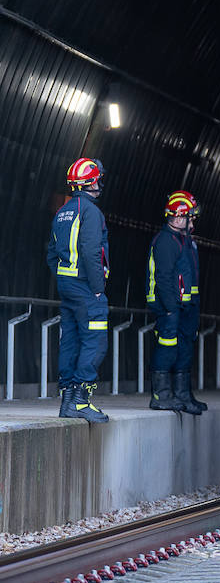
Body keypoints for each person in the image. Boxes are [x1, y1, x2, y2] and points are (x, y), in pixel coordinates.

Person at [47, 157, 110, 423]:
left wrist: (64, 278)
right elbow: (91, 250)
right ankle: (81, 400)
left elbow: (51, 253)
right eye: (99, 179)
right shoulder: (91, 212)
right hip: (86, 286)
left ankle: (68, 401)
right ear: (92, 181)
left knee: (71, 339)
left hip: (67, 284)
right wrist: (97, 287)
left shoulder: (63, 211)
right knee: (95, 339)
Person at [145, 191, 204, 413]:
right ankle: (161, 395)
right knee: (167, 348)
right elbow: (164, 277)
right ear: (179, 218)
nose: (193, 221)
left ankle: (183, 395)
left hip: (185, 306)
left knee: (184, 348)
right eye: (191, 217)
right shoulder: (166, 242)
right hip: (171, 307)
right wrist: (170, 308)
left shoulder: (184, 241)